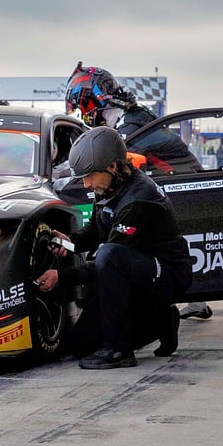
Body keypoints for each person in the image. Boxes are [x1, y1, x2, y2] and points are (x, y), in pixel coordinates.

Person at [36, 127, 193, 369]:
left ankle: (120, 350)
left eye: (89, 176)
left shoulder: (138, 199)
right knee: (81, 346)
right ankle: (163, 320)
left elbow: (106, 263)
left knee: (108, 255)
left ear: (112, 167)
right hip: (136, 269)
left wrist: (61, 277)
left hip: (166, 276)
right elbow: (96, 231)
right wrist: (68, 241)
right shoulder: (109, 187)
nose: (86, 184)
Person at [64, 62, 202, 175]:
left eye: (82, 108)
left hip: (183, 185)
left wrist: (67, 173)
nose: (83, 114)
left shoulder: (131, 124)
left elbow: (114, 167)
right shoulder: (133, 116)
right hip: (179, 182)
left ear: (93, 101)